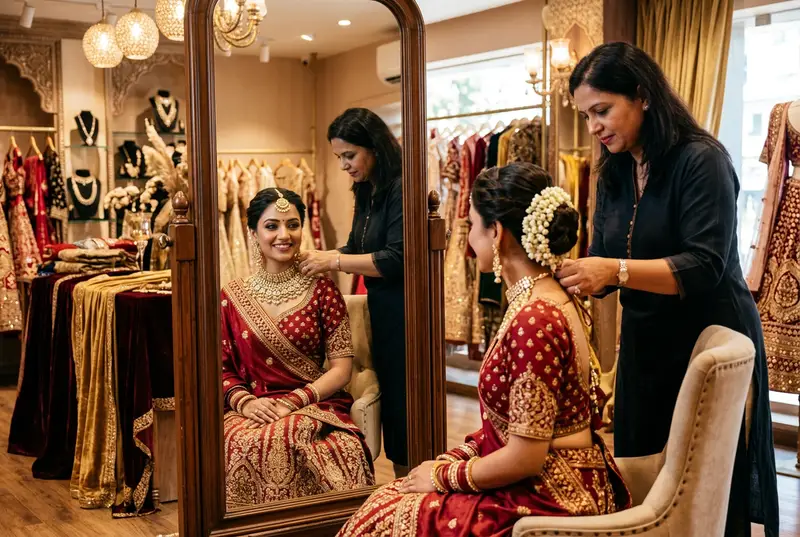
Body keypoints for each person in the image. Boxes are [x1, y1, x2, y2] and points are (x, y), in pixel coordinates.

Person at [556, 42, 779, 537]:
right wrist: (574, 276)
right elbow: (608, 252)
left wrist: (612, 271)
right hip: (645, 342)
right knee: (644, 475)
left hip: (706, 336)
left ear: (642, 95)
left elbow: (703, 264)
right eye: (587, 115)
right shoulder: (614, 170)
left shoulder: (702, 160)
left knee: (707, 486)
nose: (593, 126)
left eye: (602, 110)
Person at [337, 163, 631, 537]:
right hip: (556, 472)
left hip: (550, 491)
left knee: (387, 517)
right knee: (388, 501)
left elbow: (526, 456)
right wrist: (455, 458)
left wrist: (445, 475)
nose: (468, 240)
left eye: (473, 225)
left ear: (497, 232)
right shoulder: (547, 296)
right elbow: (511, 430)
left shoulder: (535, 319)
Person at [220, 187, 375, 509]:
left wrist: (293, 401)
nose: (284, 235)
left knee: (287, 435)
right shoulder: (231, 296)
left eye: (292, 224)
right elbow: (221, 368)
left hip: (316, 405)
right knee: (243, 439)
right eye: (272, 226)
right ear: (253, 233)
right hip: (253, 405)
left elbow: (341, 370)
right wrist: (245, 403)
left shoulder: (323, 291)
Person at [298, 107, 408, 477]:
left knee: (403, 402)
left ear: (374, 147)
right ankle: (398, 479)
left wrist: (334, 263)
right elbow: (356, 246)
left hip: (405, 308)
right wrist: (324, 256)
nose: (344, 165)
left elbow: (393, 259)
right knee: (390, 398)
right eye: (339, 157)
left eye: (349, 155)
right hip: (381, 304)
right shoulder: (366, 189)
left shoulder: (399, 187)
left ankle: (409, 476)